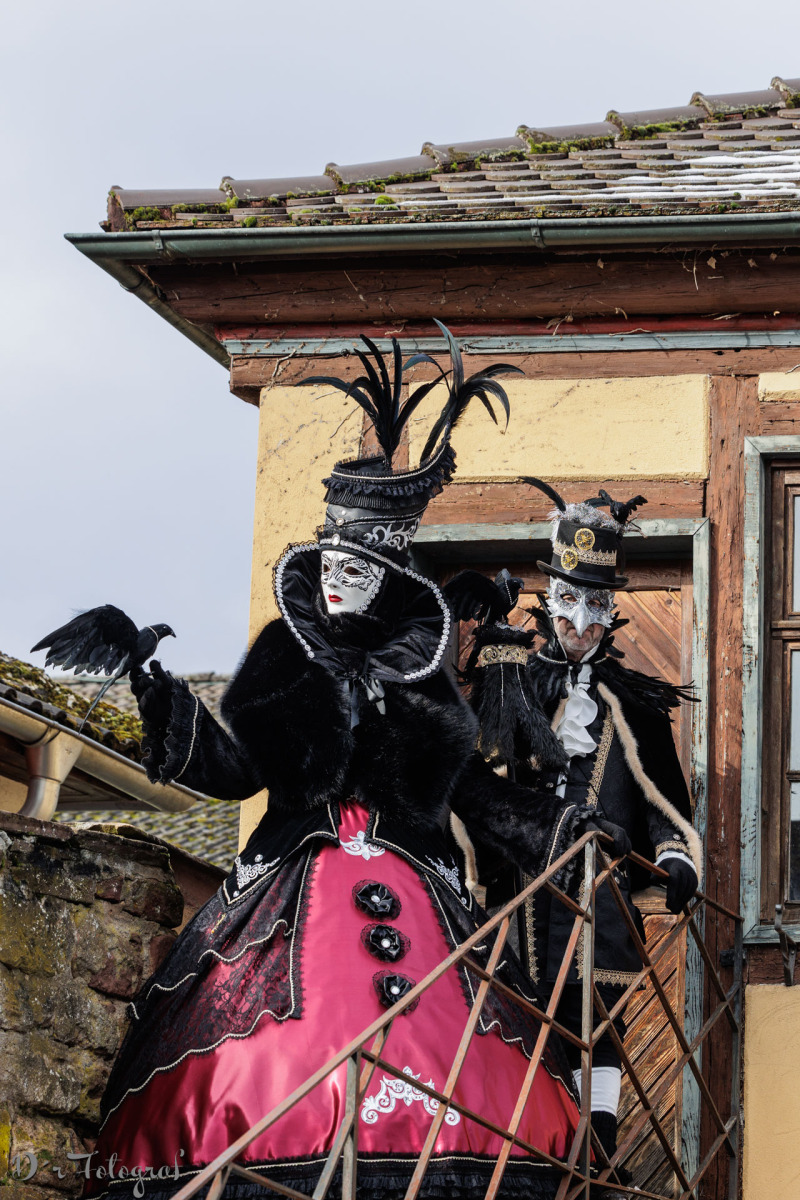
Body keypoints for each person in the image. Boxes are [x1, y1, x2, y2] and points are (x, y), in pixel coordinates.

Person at [85, 331, 605, 1200]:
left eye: (358, 567)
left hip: (417, 879)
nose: (337, 579)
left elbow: (466, 789)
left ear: (390, 571)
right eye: (330, 559)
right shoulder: (283, 654)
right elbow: (238, 767)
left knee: (455, 1039)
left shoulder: (424, 674)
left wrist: (558, 828)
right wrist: (160, 694)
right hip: (290, 886)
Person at [449, 480, 701, 1168]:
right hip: (516, 895)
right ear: (550, 600)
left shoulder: (635, 707)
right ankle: (524, 1158)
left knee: (596, 1025)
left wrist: (676, 857)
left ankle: (597, 1151)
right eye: (569, 602)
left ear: (610, 612)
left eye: (595, 607)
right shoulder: (509, 688)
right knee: (512, 1023)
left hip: (599, 898)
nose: (581, 624)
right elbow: (474, 786)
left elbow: (664, 806)